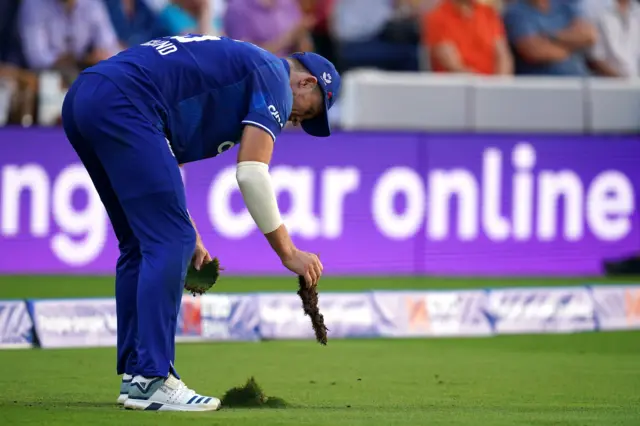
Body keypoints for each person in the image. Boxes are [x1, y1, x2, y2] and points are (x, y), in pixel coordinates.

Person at [61, 34, 338, 411]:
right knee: (166, 242)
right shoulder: (275, 75)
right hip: (126, 102)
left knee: (143, 243)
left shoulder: (241, 69)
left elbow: (160, 158)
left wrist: (187, 228)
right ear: (306, 82)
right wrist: (288, 252)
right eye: (307, 110)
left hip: (87, 96)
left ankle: (136, 374)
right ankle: (153, 379)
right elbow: (252, 175)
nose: (296, 119)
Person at [504, 0, 597, 76]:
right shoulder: (516, 12)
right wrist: (574, 46)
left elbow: (589, 36)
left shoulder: (564, 5)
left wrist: (551, 37)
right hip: (545, 87)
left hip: (581, 80)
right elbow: (535, 51)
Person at [423, 0, 513, 75]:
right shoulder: (438, 17)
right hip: (457, 88)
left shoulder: (488, 14)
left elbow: (503, 55)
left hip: (491, 87)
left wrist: (499, 84)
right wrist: (482, 85)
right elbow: (452, 64)